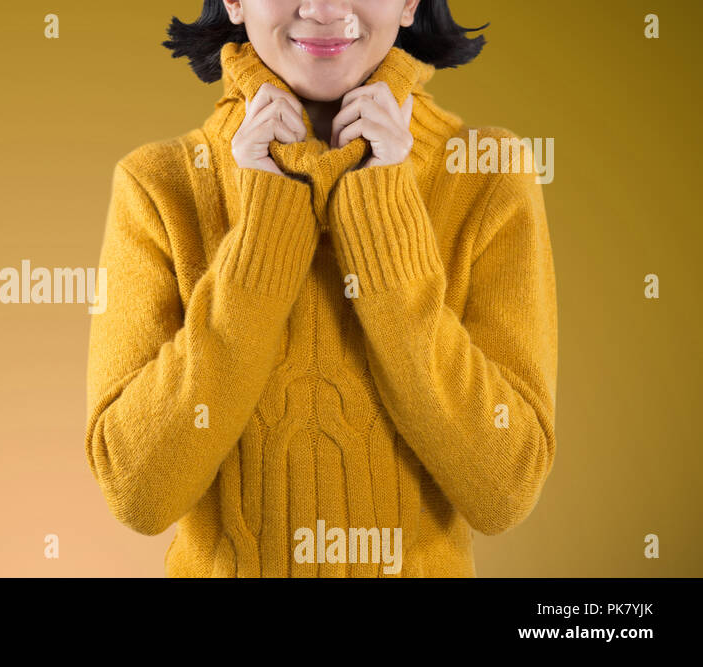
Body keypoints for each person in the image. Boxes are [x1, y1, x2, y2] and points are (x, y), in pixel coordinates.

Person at [84, 0, 558, 577]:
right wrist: (262, 238)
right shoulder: (159, 185)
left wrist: (384, 216)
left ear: (410, 3)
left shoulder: (488, 176)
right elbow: (138, 493)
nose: (326, 9)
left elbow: (503, 489)